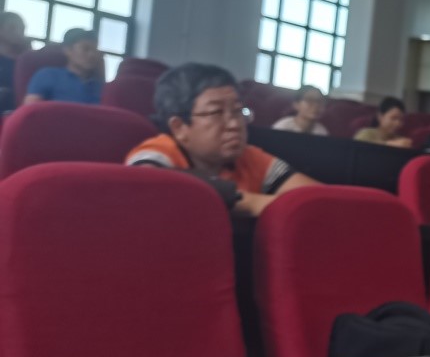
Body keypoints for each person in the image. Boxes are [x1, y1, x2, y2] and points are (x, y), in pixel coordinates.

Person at [125, 63, 320, 216]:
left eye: (237, 111)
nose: (234, 124)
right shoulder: (159, 150)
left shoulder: (249, 157)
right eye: (216, 112)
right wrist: (251, 203)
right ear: (179, 127)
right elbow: (145, 183)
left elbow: (319, 199)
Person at [24, 28, 103, 105]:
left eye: (95, 50)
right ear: (68, 50)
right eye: (86, 49)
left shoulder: (100, 86)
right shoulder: (47, 75)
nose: (92, 54)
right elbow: (31, 109)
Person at [0, 12, 31, 111]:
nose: (18, 32)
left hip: (20, 111)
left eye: (22, 29)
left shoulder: (28, 62)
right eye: (12, 28)